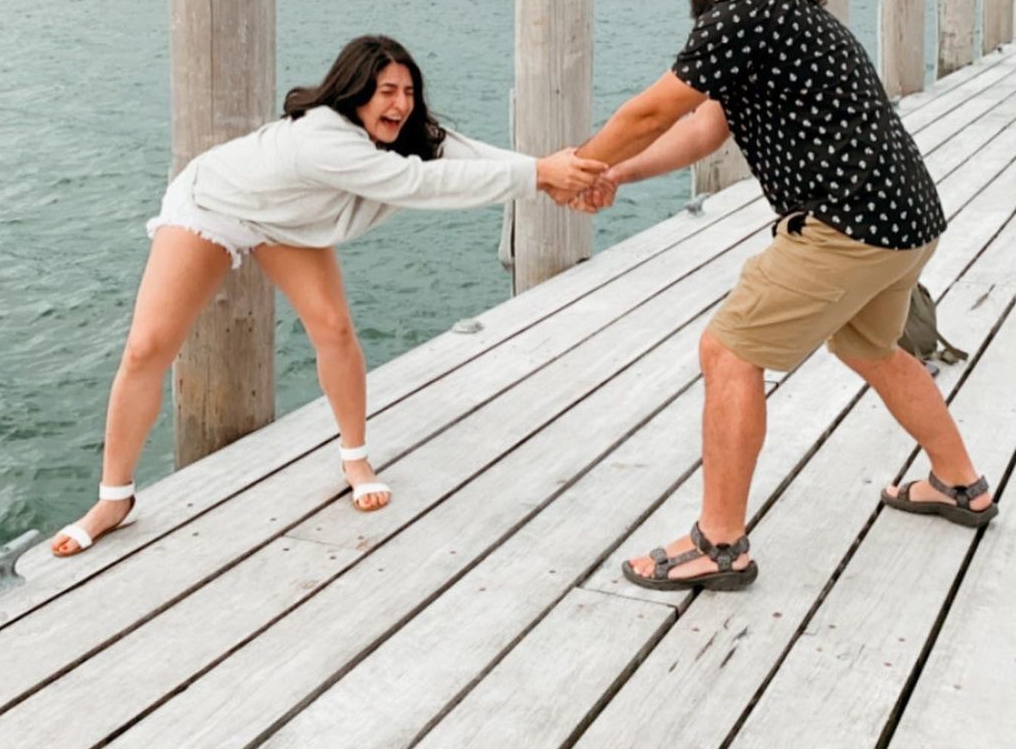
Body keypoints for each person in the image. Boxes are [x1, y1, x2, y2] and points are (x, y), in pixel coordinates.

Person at [572, 0, 996, 593]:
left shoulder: (749, 10)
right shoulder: (771, 9)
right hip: (904, 218)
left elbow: (651, 111)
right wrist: (617, 172)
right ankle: (961, 485)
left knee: (727, 351)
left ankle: (721, 543)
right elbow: (705, 129)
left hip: (849, 221)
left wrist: (575, 167)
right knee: (870, 348)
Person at [52, 34, 605, 557]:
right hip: (216, 202)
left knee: (335, 331)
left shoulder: (401, 132)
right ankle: (113, 498)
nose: (401, 104)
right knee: (147, 348)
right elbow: (417, 184)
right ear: (355, 92)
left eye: (408, 91)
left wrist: (549, 176)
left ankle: (354, 459)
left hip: (290, 219)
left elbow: (463, 153)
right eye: (386, 91)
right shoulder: (325, 141)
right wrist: (540, 175)